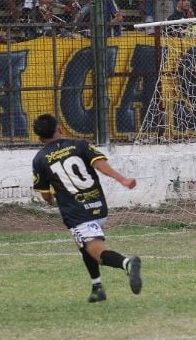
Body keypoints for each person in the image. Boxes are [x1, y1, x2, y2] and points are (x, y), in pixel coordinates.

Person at [31, 113, 142, 303]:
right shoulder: (80, 145)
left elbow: (45, 194)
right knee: (82, 243)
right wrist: (122, 179)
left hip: (77, 212)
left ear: (40, 138)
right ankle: (97, 286)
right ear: (60, 129)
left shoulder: (40, 159)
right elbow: (99, 164)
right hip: (99, 206)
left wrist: (50, 200)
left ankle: (127, 264)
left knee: (98, 253)